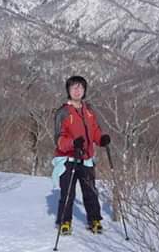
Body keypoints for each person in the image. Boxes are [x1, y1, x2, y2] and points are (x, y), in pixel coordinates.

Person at [52, 75, 111, 235]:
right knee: (68, 193)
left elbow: (95, 131)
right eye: (73, 88)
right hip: (68, 159)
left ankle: (94, 220)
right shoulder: (63, 112)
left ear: (84, 90)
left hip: (86, 159)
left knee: (90, 192)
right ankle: (64, 222)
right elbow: (58, 139)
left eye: (80, 87)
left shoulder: (89, 110)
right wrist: (72, 143)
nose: (77, 91)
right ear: (68, 90)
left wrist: (101, 139)